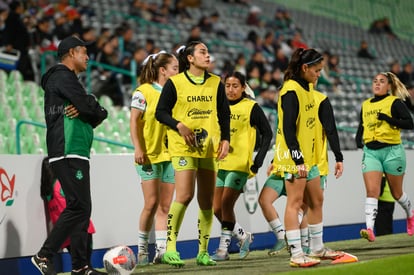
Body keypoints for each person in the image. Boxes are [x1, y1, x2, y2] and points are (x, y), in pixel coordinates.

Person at [31, 35, 108, 275]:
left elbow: (89, 107)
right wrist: (94, 109)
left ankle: (80, 267)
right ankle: (44, 254)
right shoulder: (62, 76)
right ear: (72, 53)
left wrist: (92, 108)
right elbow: (89, 107)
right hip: (67, 149)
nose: (88, 57)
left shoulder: (66, 80)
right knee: (78, 206)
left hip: (75, 150)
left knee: (82, 208)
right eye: (84, 52)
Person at [155, 41, 230, 267]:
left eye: (208, 52)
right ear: (189, 58)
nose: (208, 56)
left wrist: (225, 139)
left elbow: (224, 113)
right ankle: (170, 249)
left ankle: (203, 252)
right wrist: (179, 125)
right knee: (185, 196)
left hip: (208, 147)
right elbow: (160, 112)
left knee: (206, 201)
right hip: (182, 146)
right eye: (203, 52)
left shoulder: (217, 82)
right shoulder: (175, 83)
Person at [272, 48, 342, 267]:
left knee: (316, 201)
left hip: (310, 158)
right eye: (317, 70)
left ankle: (317, 248)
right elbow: (289, 129)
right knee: (294, 203)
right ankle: (296, 254)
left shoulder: (309, 90)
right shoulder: (290, 90)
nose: (319, 74)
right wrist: (298, 158)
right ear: (305, 67)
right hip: (295, 157)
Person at [259, 87, 344, 257]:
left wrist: (338, 156)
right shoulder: (289, 99)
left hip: (314, 163)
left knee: (307, 205)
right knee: (278, 202)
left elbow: (330, 130)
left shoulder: (319, 100)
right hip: (289, 163)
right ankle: (294, 245)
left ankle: (305, 247)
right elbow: (285, 135)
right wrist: (275, 160)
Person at [211, 72, 272, 261]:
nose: (230, 89)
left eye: (235, 85)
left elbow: (267, 134)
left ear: (243, 87)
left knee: (226, 204)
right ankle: (243, 236)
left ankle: (223, 249)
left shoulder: (251, 107)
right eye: (227, 85)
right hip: (220, 163)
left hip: (239, 164)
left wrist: (258, 162)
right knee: (216, 209)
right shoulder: (218, 107)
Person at [129, 51, 178, 265]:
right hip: (148, 155)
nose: (178, 72)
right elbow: (134, 122)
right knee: (151, 203)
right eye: (175, 68)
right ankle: (141, 250)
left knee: (165, 206)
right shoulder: (143, 92)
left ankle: (161, 251)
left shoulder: (175, 92)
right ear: (163, 70)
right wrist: (138, 148)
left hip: (170, 156)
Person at [355, 72, 414, 242]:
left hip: (392, 151)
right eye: (375, 81)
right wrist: (359, 140)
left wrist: (389, 119)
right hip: (371, 152)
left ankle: (410, 214)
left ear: (389, 86)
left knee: (397, 193)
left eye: (382, 81)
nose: (377, 84)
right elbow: (362, 125)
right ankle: (369, 229)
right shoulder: (365, 105)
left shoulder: (394, 102)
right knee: (372, 191)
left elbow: (409, 123)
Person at [40, 157, 98, 271]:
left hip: (64, 234)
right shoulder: (61, 185)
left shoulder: (46, 191)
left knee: (79, 265)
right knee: (85, 265)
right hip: (79, 228)